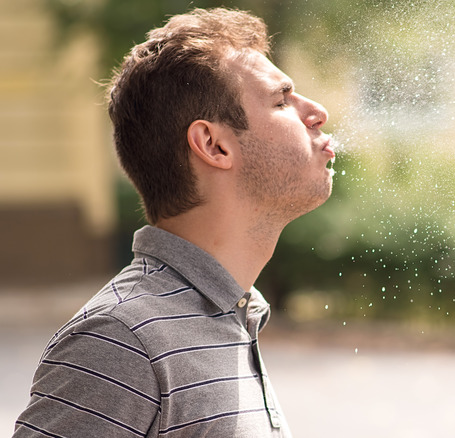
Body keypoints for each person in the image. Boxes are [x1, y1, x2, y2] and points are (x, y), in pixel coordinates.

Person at [14, 7, 334, 437]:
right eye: (281, 100)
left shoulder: (233, 315)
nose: (316, 113)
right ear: (213, 145)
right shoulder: (121, 339)